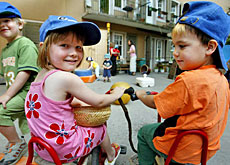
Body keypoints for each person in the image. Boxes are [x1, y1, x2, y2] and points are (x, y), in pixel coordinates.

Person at [135, 1, 230, 165]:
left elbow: (156, 104)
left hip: (180, 147)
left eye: (182, 46)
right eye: (174, 46)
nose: (174, 52)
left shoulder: (188, 80)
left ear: (209, 47)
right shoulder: (222, 80)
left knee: (144, 133)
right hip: (205, 148)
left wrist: (140, 94)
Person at [24, 15, 125, 164]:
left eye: (78, 47)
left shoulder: (40, 76)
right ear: (43, 48)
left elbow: (52, 103)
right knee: (100, 127)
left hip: (42, 146)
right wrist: (117, 93)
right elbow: (99, 101)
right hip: (63, 149)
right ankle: (110, 154)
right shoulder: (67, 78)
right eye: (64, 45)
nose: (73, 53)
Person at [0, 2, 39, 164]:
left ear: (20, 24)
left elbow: (25, 72)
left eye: (7, 20)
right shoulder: (5, 50)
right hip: (18, 92)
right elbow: (5, 74)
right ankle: (31, 149)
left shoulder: (25, 44)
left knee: (1, 113)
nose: (2, 25)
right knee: (28, 128)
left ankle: (16, 143)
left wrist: (7, 95)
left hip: (28, 93)